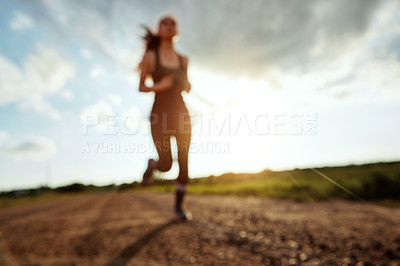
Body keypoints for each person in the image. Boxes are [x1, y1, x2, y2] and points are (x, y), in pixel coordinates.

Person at [137, 14, 192, 221]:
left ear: (177, 31)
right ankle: (153, 165)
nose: (169, 26)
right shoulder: (150, 57)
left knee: (185, 161)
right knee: (167, 164)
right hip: (160, 114)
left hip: (181, 112)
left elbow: (188, 86)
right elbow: (142, 86)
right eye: (164, 23)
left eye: (173, 24)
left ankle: (178, 207)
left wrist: (186, 85)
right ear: (159, 29)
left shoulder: (183, 59)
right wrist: (161, 85)